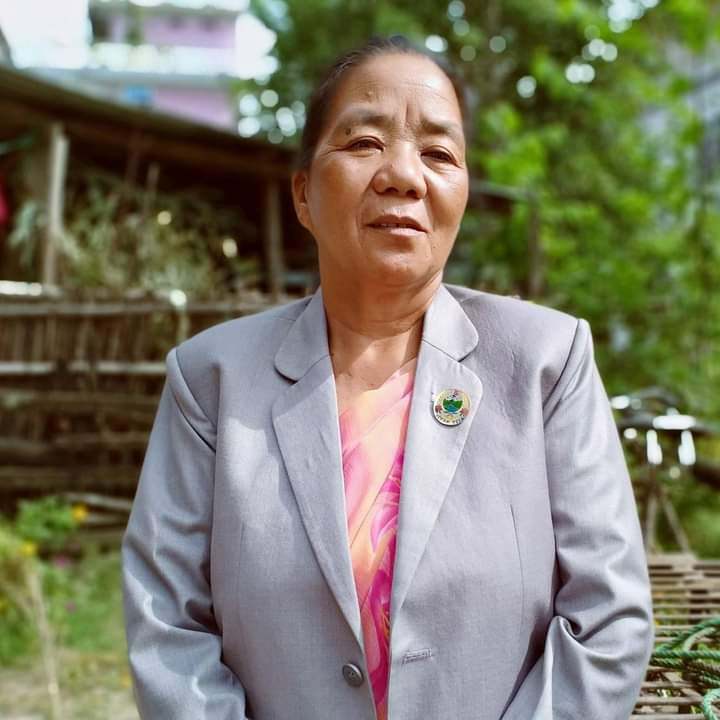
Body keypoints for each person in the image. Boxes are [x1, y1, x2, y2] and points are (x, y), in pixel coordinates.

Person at [122, 35, 654, 720]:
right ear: (304, 194)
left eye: (438, 153)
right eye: (366, 142)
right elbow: (168, 625)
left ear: (462, 193)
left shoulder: (546, 362)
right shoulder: (211, 382)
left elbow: (607, 617)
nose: (404, 174)